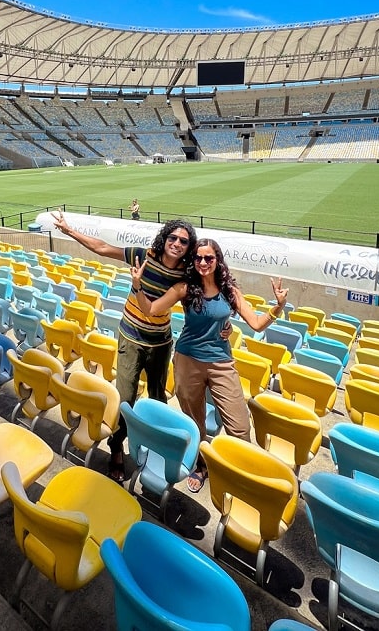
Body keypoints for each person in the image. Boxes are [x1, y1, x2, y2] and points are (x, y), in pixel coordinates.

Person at [131, 237, 288, 493]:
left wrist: (278, 307)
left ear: (218, 260)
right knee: (196, 423)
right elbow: (150, 309)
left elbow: (257, 323)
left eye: (209, 258)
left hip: (221, 362)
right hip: (187, 361)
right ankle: (201, 466)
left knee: (239, 425)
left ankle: (241, 472)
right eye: (198, 258)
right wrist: (138, 286)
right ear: (193, 261)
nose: (203, 262)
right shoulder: (185, 288)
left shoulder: (230, 290)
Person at [50, 210, 197, 481]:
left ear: (189, 247)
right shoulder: (144, 256)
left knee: (157, 399)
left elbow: (212, 283)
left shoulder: (186, 274)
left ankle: (155, 448)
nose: (177, 243)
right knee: (125, 397)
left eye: (184, 241)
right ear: (165, 238)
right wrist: (70, 231)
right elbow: (103, 248)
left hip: (160, 342)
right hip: (130, 338)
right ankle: (116, 449)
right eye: (173, 237)